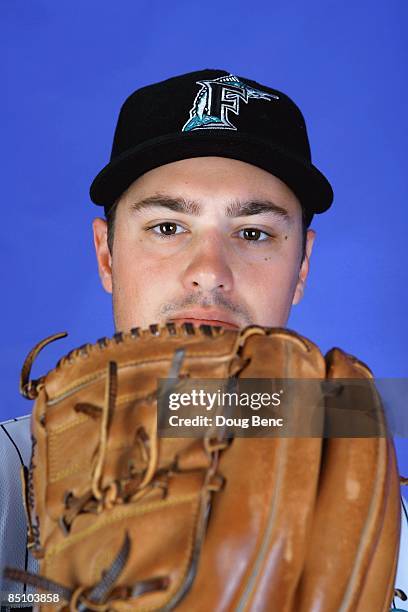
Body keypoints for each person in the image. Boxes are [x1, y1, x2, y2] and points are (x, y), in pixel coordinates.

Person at [1, 69, 407, 611]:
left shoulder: (369, 493)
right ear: (106, 254)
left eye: (254, 233)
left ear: (302, 266)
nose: (210, 271)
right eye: (168, 227)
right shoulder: (8, 479)